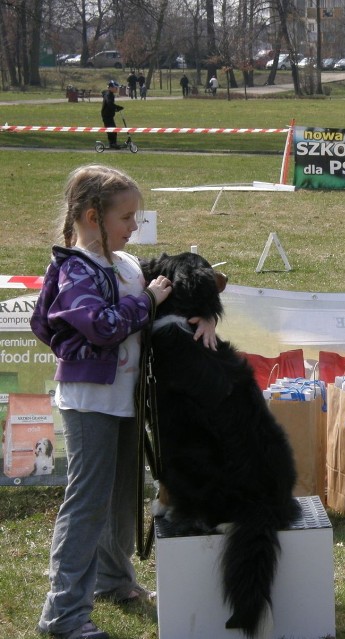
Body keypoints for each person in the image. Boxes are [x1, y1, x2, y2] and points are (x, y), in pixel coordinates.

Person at [30, 165, 217, 639]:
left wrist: (204, 314)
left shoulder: (128, 265)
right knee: (88, 501)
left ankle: (113, 581)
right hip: (89, 400)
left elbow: (177, 285)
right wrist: (148, 304)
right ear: (93, 217)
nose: (136, 225)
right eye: (127, 217)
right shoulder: (74, 269)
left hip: (126, 399)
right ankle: (63, 613)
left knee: (121, 498)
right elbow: (104, 326)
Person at [100, 81, 123, 149]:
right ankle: (112, 144)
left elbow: (110, 104)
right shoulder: (108, 94)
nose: (117, 89)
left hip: (109, 115)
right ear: (110, 88)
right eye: (115, 88)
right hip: (106, 115)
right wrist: (116, 107)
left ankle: (113, 143)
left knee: (113, 130)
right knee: (111, 130)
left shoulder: (110, 94)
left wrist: (116, 108)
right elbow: (109, 103)